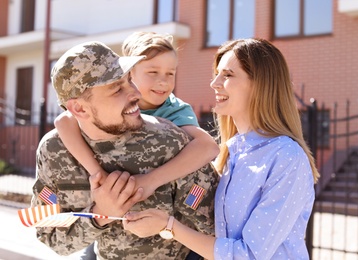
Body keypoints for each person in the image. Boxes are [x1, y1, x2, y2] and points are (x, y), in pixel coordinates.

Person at [122, 38, 320, 260]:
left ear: (260, 84)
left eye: (227, 75)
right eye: (217, 73)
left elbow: (248, 255)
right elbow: (201, 210)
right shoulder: (230, 152)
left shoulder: (286, 158)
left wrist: (168, 226)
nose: (214, 83)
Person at [31, 41, 218, 259]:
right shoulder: (52, 152)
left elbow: (215, 232)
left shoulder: (170, 143)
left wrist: (167, 225)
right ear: (79, 108)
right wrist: (100, 216)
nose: (136, 93)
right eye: (117, 89)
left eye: (129, 80)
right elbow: (48, 234)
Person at [54, 32, 219, 201]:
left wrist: (151, 180)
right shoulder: (117, 104)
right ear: (129, 73)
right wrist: (97, 172)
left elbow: (208, 147)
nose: (163, 81)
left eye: (171, 73)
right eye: (153, 72)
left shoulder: (175, 110)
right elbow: (63, 121)